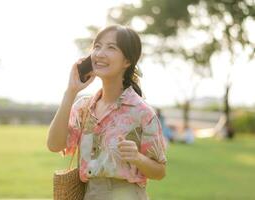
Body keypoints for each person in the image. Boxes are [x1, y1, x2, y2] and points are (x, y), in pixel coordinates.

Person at [47, 25, 167, 200]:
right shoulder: (83, 107)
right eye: (97, 46)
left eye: (111, 47)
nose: (100, 53)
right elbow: (54, 145)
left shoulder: (142, 112)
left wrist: (137, 158)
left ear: (127, 61)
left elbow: (160, 171)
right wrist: (70, 92)